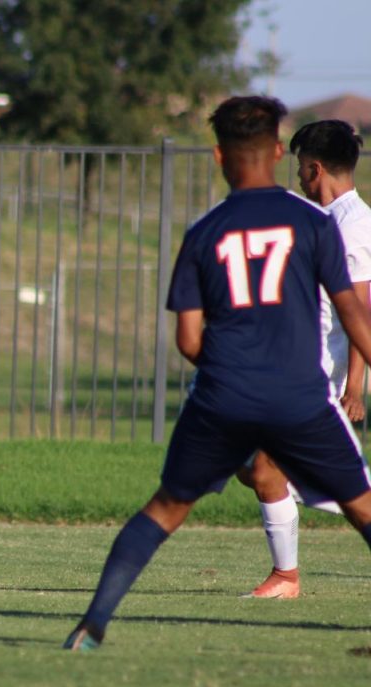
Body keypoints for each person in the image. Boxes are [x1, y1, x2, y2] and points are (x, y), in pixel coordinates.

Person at [64, 96, 371, 651]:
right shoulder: (313, 222)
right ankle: (286, 573)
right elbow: (353, 312)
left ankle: (92, 623)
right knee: (361, 504)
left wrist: (231, 373)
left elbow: (187, 340)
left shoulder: (204, 231)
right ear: (279, 152)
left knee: (165, 507)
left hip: (223, 395)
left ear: (217, 156)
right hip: (299, 394)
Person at [238, 119, 371, 600]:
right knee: (250, 463)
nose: (296, 179)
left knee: (264, 465)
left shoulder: (352, 228)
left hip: (315, 378)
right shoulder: (327, 222)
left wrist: (356, 384)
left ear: (315, 169)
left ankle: (285, 577)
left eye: (299, 170)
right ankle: (285, 577)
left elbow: (358, 312)